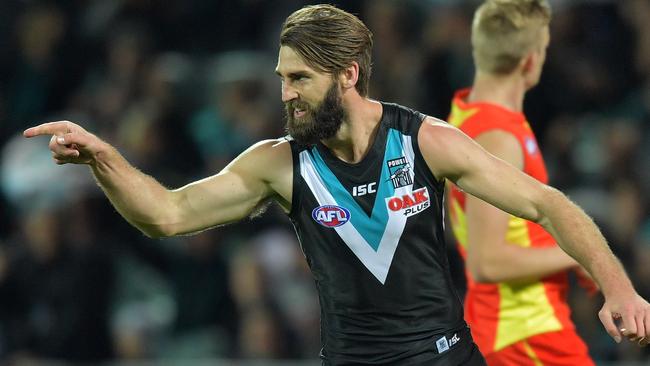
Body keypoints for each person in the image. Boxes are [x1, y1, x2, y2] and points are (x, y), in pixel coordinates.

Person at [23, 4, 649, 365]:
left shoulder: (423, 141)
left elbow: (547, 202)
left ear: (347, 74)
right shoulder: (277, 164)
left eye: (298, 78)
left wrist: (618, 285)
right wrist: (105, 160)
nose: (284, 93)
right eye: (281, 77)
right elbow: (165, 214)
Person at [446, 1, 646, 365]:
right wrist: (576, 253)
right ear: (530, 59)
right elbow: (487, 260)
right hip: (522, 333)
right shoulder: (496, 137)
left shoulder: (465, 116)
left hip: (513, 330)